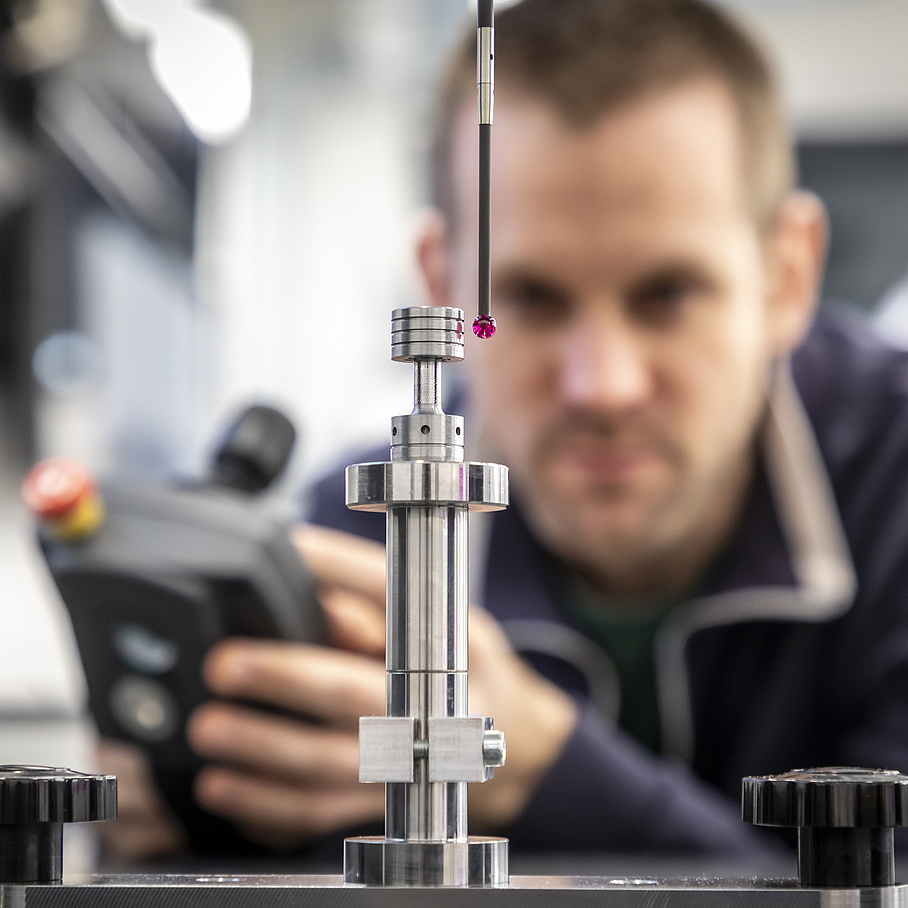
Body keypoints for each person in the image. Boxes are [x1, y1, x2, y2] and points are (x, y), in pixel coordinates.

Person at [101, 0, 908, 862]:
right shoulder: (351, 554)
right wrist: (197, 807)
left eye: (668, 294)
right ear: (447, 292)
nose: (603, 385)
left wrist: (550, 772)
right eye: (527, 298)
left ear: (787, 277)